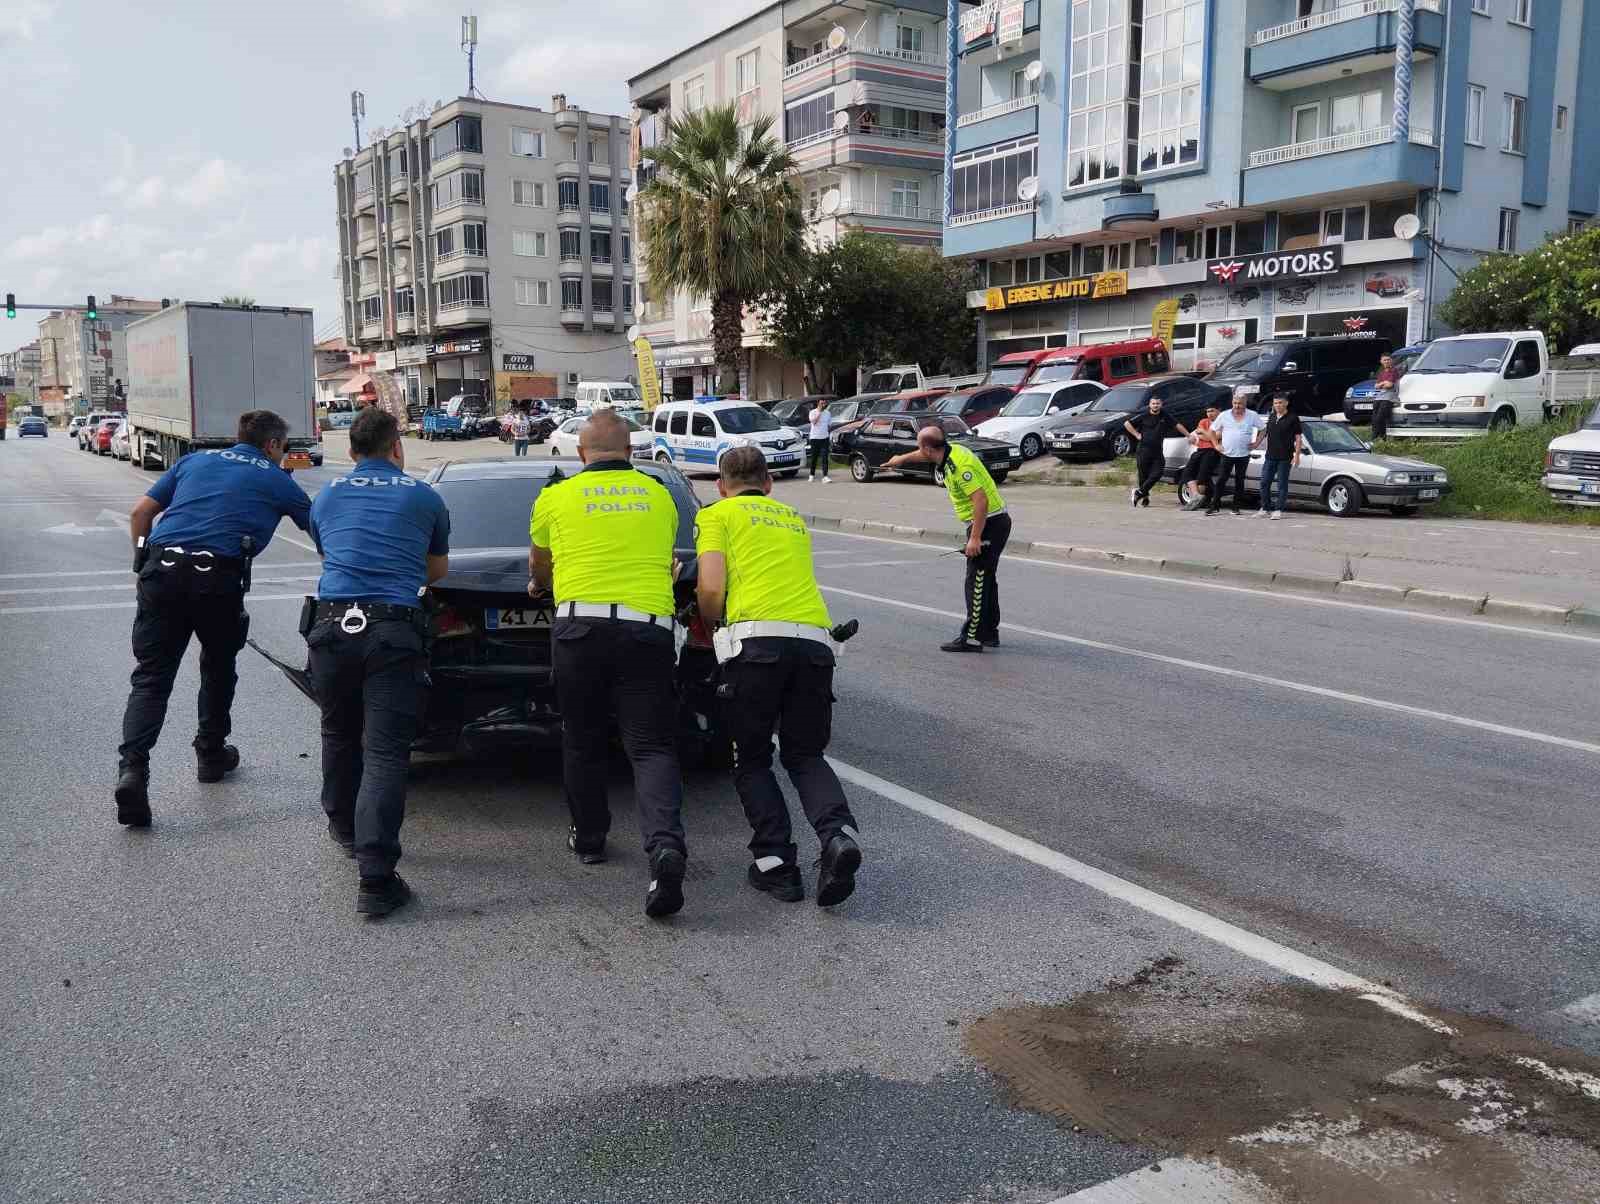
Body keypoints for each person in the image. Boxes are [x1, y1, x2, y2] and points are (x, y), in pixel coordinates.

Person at [115, 410, 312, 828]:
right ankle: (210, 754)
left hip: (161, 571)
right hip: (216, 579)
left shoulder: (194, 461)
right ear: (273, 446)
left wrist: (140, 563)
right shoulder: (279, 479)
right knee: (218, 668)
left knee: (151, 677)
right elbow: (323, 531)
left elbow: (140, 514)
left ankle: (133, 769)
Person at [528, 408, 689, 918]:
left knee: (581, 737)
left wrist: (542, 585)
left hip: (579, 629)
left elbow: (541, 565)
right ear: (631, 450)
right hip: (647, 630)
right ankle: (665, 846)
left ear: (580, 453)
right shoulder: (660, 496)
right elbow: (663, 559)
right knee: (650, 745)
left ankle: (591, 837)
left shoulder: (555, 497)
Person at [695, 446, 862, 907]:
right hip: (814, 645)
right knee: (806, 755)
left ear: (721, 485)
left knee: (750, 759)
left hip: (755, 646)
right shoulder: (790, 517)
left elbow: (711, 586)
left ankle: (776, 865)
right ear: (769, 482)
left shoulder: (718, 515)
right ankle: (837, 835)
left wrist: (712, 626)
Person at [305, 407, 451, 918]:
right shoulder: (423, 496)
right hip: (392, 630)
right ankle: (375, 877)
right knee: (386, 751)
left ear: (351, 452)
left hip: (331, 626)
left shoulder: (327, 495)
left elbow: (331, 553)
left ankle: (343, 829)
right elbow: (436, 568)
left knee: (338, 734)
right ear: (398, 448)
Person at [883, 425, 1010, 652]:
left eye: (920, 447)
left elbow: (981, 501)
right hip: (992, 522)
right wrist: (901, 459)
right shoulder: (951, 450)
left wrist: (975, 538)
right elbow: (923, 452)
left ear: (928, 448)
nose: (920, 452)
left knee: (976, 582)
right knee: (986, 579)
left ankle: (972, 638)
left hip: (988, 523)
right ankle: (989, 633)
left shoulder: (959, 466)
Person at [1206, 389, 1267, 516]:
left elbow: (1263, 429)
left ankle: (1236, 507)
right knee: (1221, 479)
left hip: (1244, 454)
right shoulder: (1224, 415)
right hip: (1227, 453)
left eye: (1239, 403)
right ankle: (1214, 506)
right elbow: (1212, 430)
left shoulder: (1252, 415)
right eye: (1234, 403)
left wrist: (1256, 443)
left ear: (1245, 403)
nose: (1237, 406)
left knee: (1240, 481)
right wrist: (1216, 444)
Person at [1125, 394, 1189, 508]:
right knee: (1143, 475)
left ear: (1161, 404)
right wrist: (1136, 434)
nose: (1155, 405)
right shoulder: (1144, 415)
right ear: (1150, 405)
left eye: (1157, 403)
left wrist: (1188, 435)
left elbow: (1177, 425)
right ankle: (1145, 498)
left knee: (1158, 473)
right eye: (1153, 403)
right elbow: (1127, 423)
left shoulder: (1165, 415)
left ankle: (1138, 492)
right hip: (1143, 450)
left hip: (1157, 450)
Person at [1256, 394, 1303, 521]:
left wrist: (1297, 455)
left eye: (1280, 403)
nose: (1277, 405)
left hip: (1285, 457)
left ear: (1286, 403)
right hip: (1270, 456)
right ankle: (1265, 508)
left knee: (1282, 484)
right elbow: (1265, 434)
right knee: (1264, 482)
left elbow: (1298, 438)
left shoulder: (1293, 418)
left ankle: (1278, 510)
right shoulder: (1271, 417)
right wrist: (1255, 444)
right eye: (1275, 403)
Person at [1179, 404, 1223, 510]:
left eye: (1212, 411)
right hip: (1200, 450)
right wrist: (1209, 436)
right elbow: (1200, 435)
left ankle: (1197, 502)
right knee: (1187, 473)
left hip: (1212, 452)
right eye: (1207, 411)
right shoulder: (1203, 421)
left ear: (1219, 410)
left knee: (1202, 476)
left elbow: (1217, 436)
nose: (1209, 414)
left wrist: (1204, 432)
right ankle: (1196, 496)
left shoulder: (1223, 422)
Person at [1370, 354, 1399, 440]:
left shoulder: (1394, 371)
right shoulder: (1381, 373)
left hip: (1389, 397)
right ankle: (1383, 438)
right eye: (1384, 360)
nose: (1386, 361)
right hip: (1379, 397)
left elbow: (1389, 385)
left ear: (1391, 361)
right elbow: (1376, 386)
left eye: (1388, 359)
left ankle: (1374, 438)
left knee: (1380, 418)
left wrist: (1382, 384)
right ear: (1381, 361)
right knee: (1375, 419)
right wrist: (1383, 383)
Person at [807, 398, 833, 483]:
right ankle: (812, 475)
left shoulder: (828, 413)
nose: (823, 405)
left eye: (824, 403)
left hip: (824, 438)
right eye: (821, 403)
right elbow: (814, 422)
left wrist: (829, 435)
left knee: (825, 458)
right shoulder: (812, 412)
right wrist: (819, 413)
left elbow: (829, 425)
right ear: (818, 404)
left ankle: (825, 476)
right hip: (814, 438)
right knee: (814, 458)